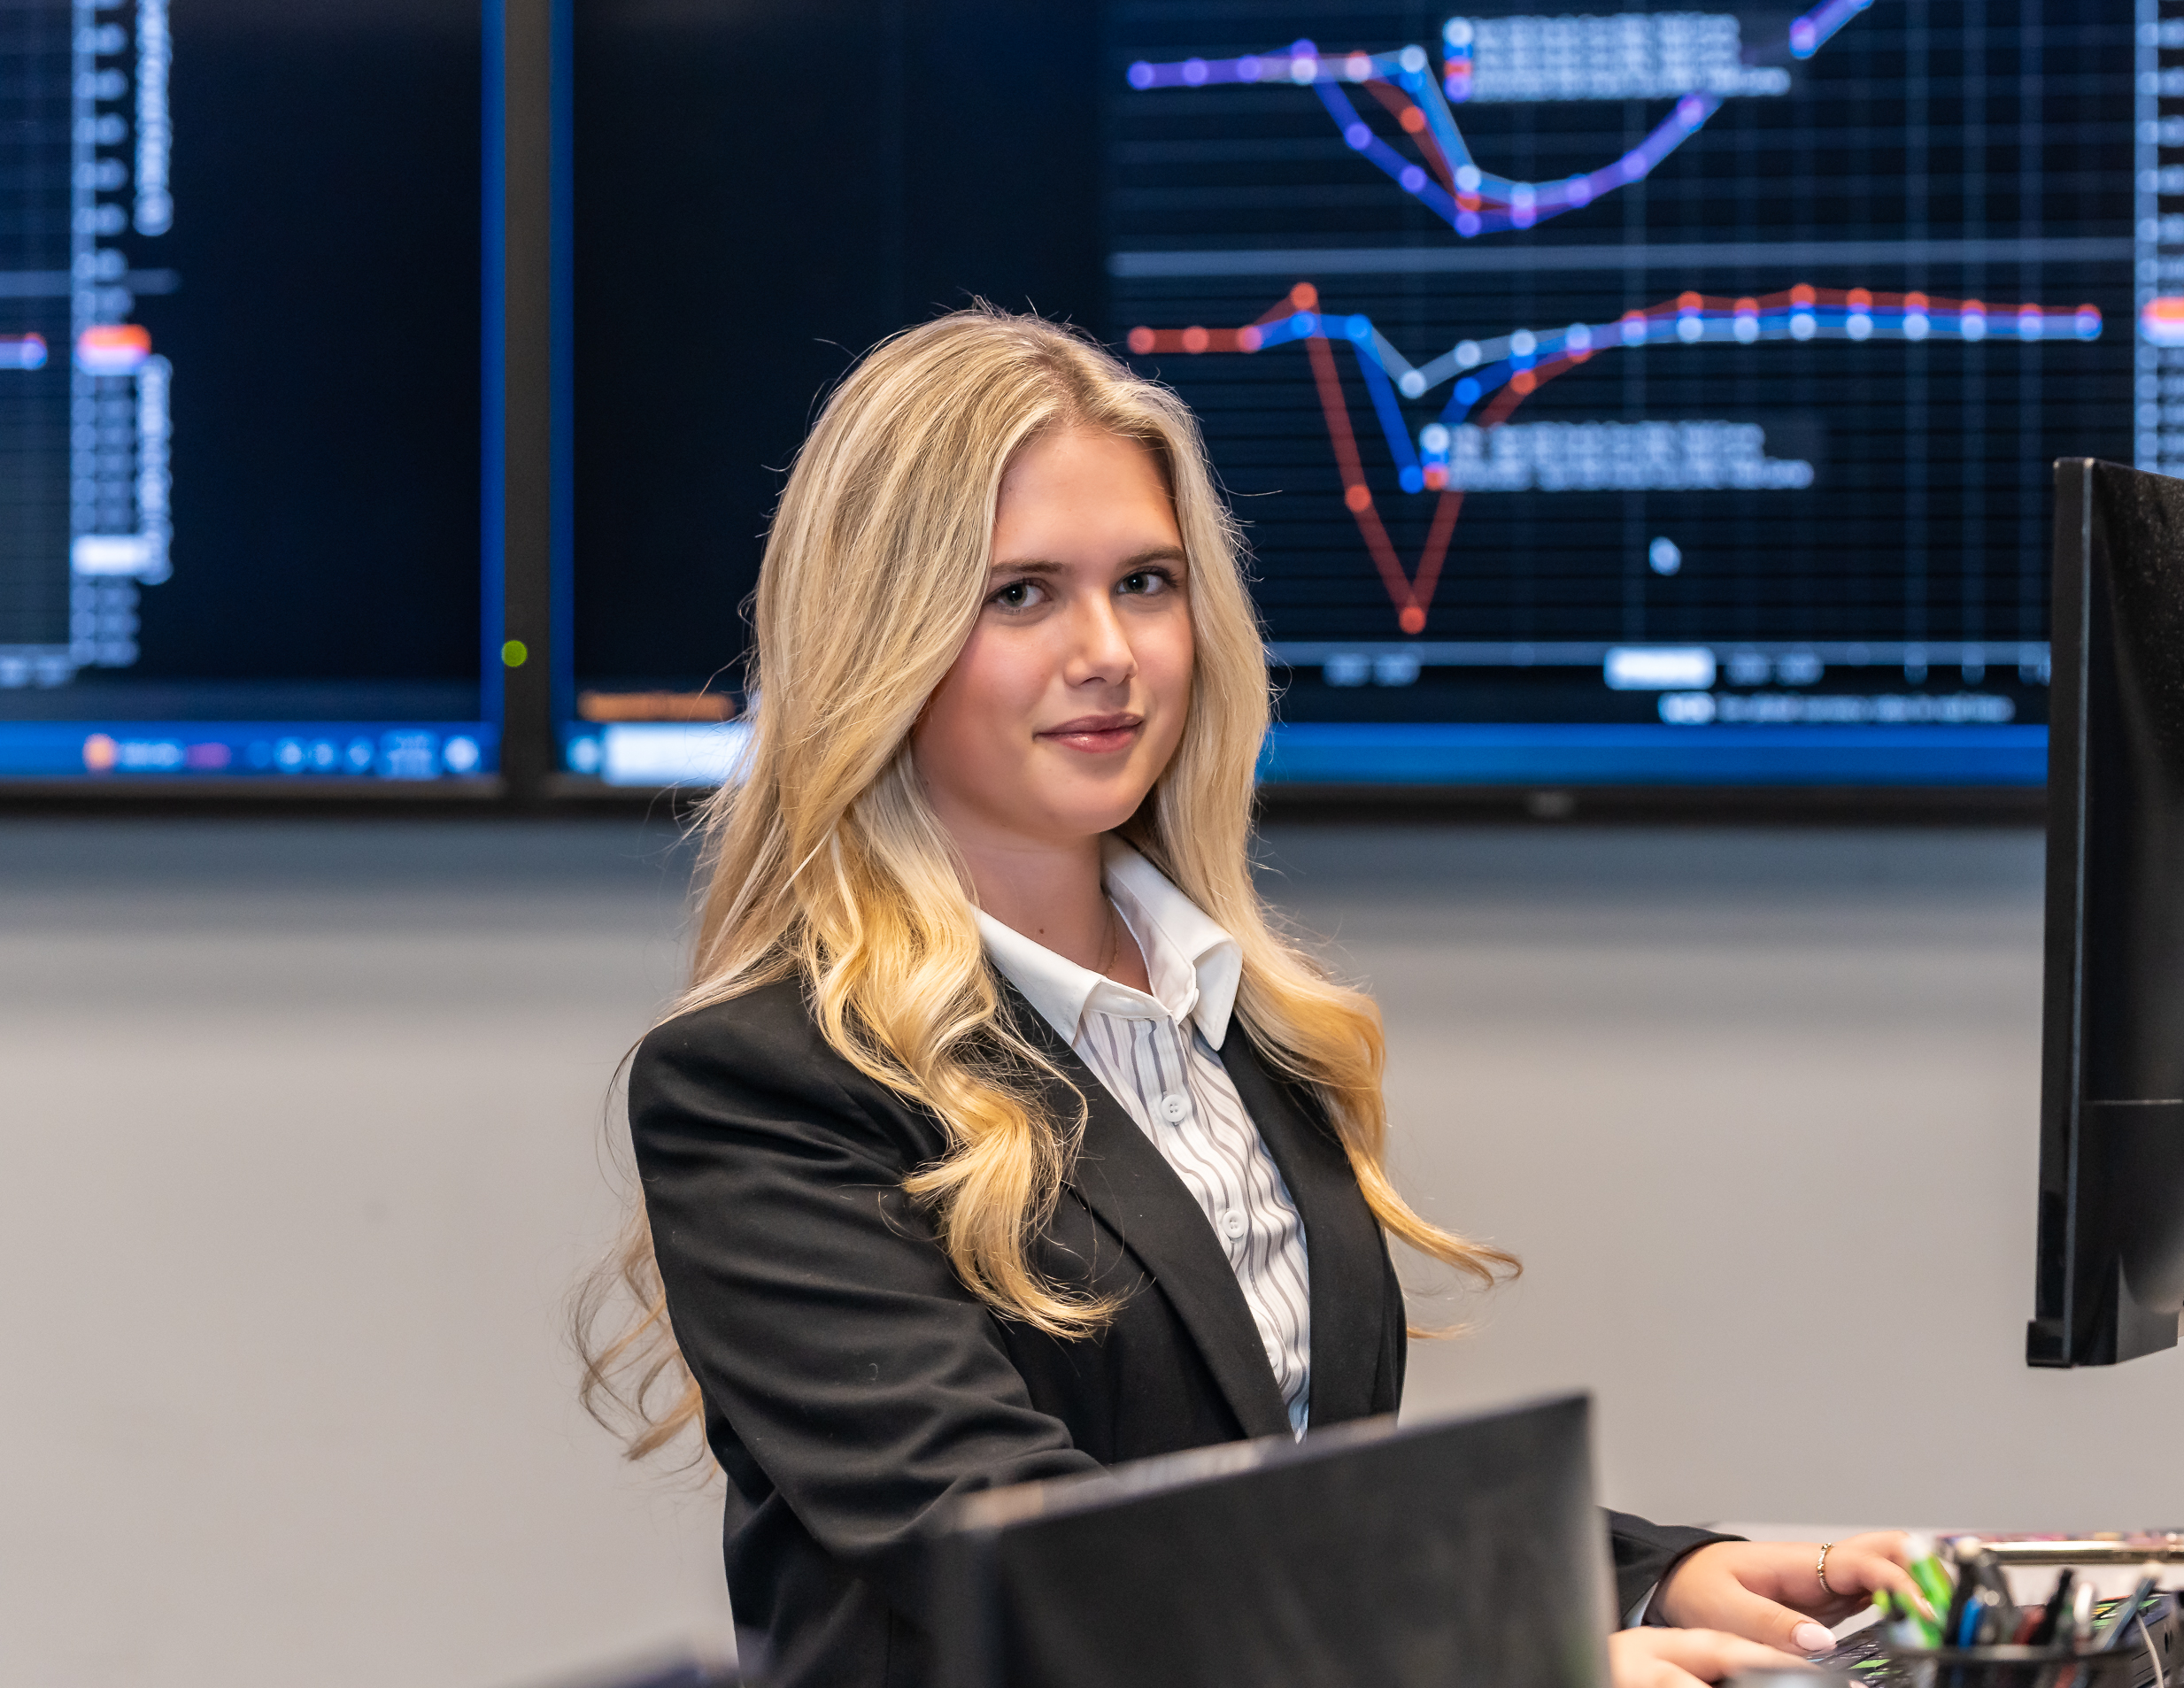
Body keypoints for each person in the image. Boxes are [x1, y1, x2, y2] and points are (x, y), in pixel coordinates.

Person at [578, 309, 1920, 1688]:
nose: (1110, 650)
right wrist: (1513, 1662)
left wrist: (1644, 1579)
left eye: (1146, 582)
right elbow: (1028, 1555)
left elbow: (1291, 1507)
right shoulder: (766, 1082)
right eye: (1022, 594)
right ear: (882, 636)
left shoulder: (1241, 1017)